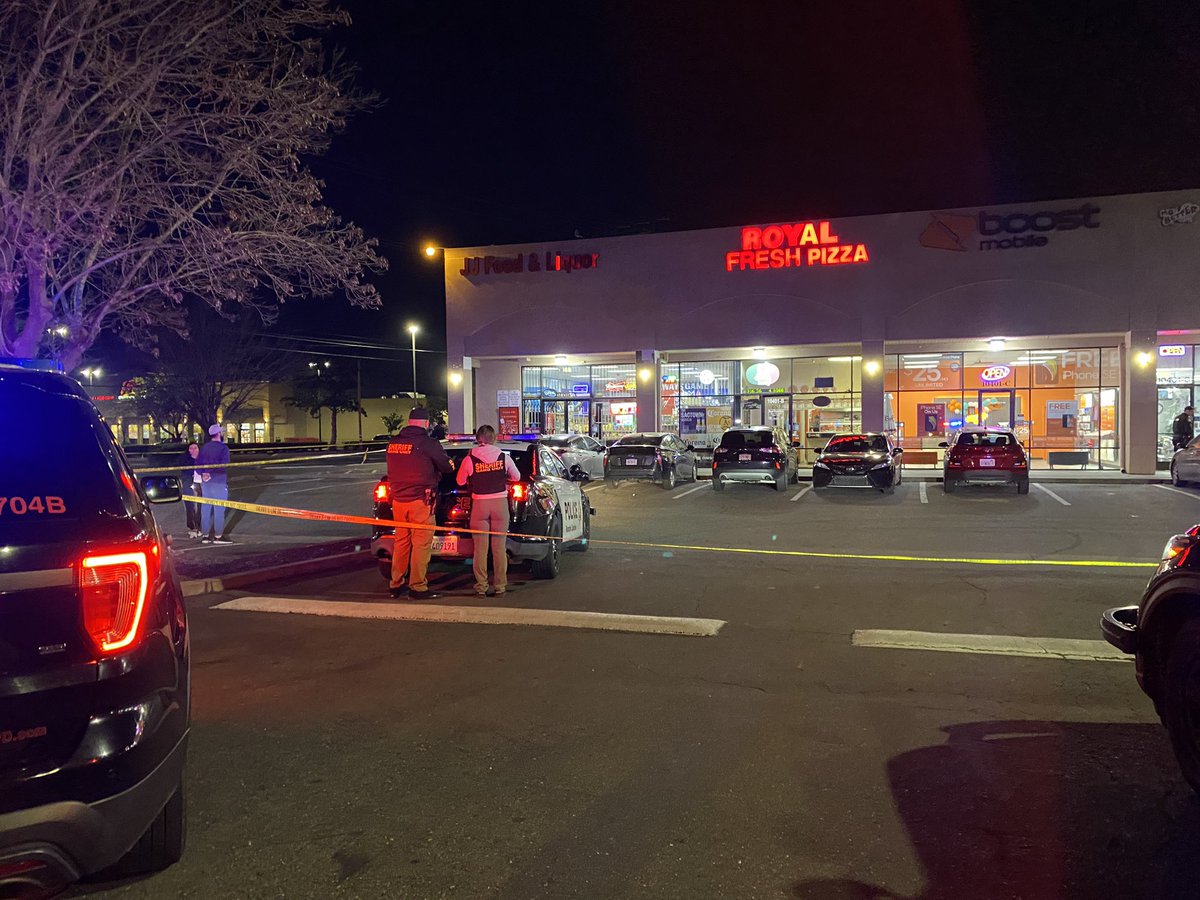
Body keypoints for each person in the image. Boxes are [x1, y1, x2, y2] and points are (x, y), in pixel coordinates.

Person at [386, 407, 453, 599]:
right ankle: (417, 586)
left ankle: (396, 584)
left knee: (401, 543)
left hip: (398, 501)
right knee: (421, 545)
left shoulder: (393, 443)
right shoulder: (428, 443)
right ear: (425, 423)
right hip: (420, 501)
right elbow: (446, 467)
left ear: (409, 422)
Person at [457, 424, 520, 597]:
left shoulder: (470, 458)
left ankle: (481, 586)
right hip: (500, 503)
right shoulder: (503, 457)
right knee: (499, 548)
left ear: (478, 439)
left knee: (480, 549)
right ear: (494, 438)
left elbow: (460, 481)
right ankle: (500, 586)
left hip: (479, 505)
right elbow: (517, 477)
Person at [196, 425, 231, 544]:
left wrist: (204, 473)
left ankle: (205, 535)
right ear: (218, 434)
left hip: (206, 483)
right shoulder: (223, 448)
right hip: (219, 481)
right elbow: (224, 465)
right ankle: (218, 536)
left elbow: (197, 464)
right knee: (219, 509)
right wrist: (210, 473)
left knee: (206, 508)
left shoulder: (204, 448)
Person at [179, 442, 202, 538]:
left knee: (199, 507)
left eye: (195, 448)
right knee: (190, 507)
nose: (193, 450)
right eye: (191, 448)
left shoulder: (202, 459)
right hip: (189, 486)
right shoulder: (186, 460)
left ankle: (198, 527)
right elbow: (185, 473)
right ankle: (193, 528)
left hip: (200, 485)